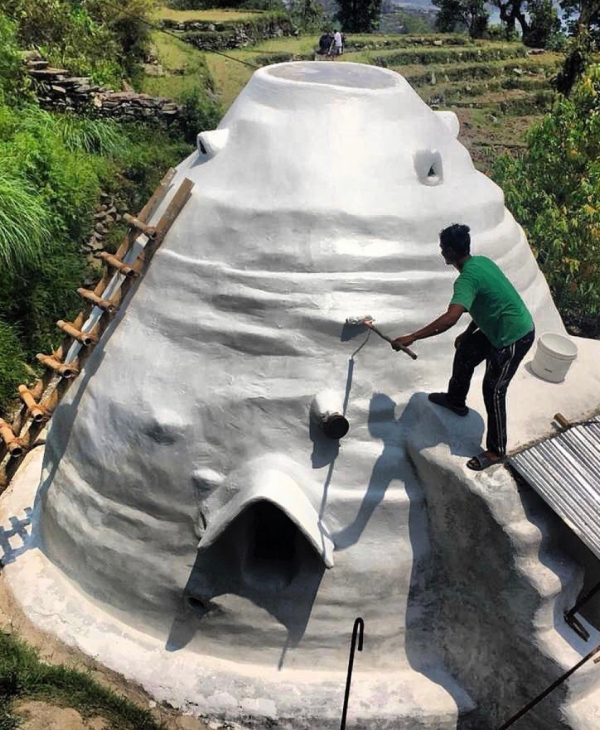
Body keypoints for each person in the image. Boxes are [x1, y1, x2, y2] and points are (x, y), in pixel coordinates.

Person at [392, 224, 535, 471]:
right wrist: (469, 333)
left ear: (449, 251)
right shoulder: (481, 263)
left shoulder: (466, 279)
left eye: (441, 249)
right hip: (496, 328)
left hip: (514, 335)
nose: (440, 253)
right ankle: (455, 400)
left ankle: (496, 450)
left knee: (494, 389)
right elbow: (484, 301)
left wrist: (412, 337)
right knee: (466, 349)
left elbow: (450, 318)